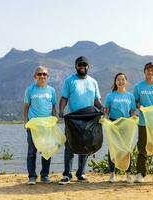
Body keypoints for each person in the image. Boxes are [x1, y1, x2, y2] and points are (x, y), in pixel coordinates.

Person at [59, 56, 102, 185]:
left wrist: (102, 108)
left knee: (86, 144)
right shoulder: (69, 81)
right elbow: (64, 98)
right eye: (79, 65)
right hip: (73, 118)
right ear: (76, 66)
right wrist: (62, 110)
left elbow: (96, 100)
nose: (82, 66)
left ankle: (81, 173)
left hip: (88, 117)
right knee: (70, 145)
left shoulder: (93, 82)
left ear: (88, 66)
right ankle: (67, 174)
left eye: (84, 65)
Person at [23, 66, 57, 185]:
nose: (42, 76)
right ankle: (32, 176)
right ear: (35, 76)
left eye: (44, 74)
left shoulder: (52, 90)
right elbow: (26, 108)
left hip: (47, 126)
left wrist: (55, 120)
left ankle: (45, 175)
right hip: (33, 126)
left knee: (46, 151)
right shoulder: (30, 90)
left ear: (47, 77)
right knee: (32, 151)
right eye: (39, 74)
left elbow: (53, 107)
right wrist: (25, 123)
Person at [104, 72, 136, 183]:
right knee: (112, 149)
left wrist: (133, 118)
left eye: (123, 79)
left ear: (126, 82)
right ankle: (112, 174)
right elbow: (106, 111)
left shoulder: (130, 96)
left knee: (126, 149)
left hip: (126, 124)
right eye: (118, 79)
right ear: (115, 82)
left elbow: (132, 112)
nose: (121, 81)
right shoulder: (110, 96)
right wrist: (105, 120)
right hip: (114, 124)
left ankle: (128, 174)